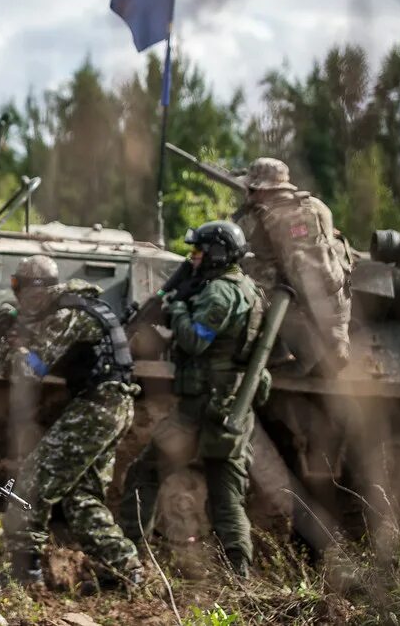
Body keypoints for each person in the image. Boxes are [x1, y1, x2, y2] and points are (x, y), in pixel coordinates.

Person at [0, 256, 143, 594]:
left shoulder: (68, 314)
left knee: (32, 483)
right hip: (113, 406)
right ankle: (126, 570)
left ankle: (26, 572)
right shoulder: (80, 307)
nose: (19, 298)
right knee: (81, 499)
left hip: (98, 407)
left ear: (35, 290)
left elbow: (27, 370)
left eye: (19, 289)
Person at [119, 221, 267, 578]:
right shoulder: (249, 288)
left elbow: (195, 341)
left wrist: (177, 309)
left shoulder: (219, 292)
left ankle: (127, 562)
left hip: (201, 408)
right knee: (226, 494)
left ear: (216, 253)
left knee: (145, 472)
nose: (193, 257)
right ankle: (239, 576)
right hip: (228, 406)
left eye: (198, 250)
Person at [232, 157, 352, 376]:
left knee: (243, 272)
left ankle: (281, 352)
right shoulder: (316, 206)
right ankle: (338, 342)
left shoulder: (254, 219)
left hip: (287, 300)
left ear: (259, 189)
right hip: (332, 295)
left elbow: (237, 246)